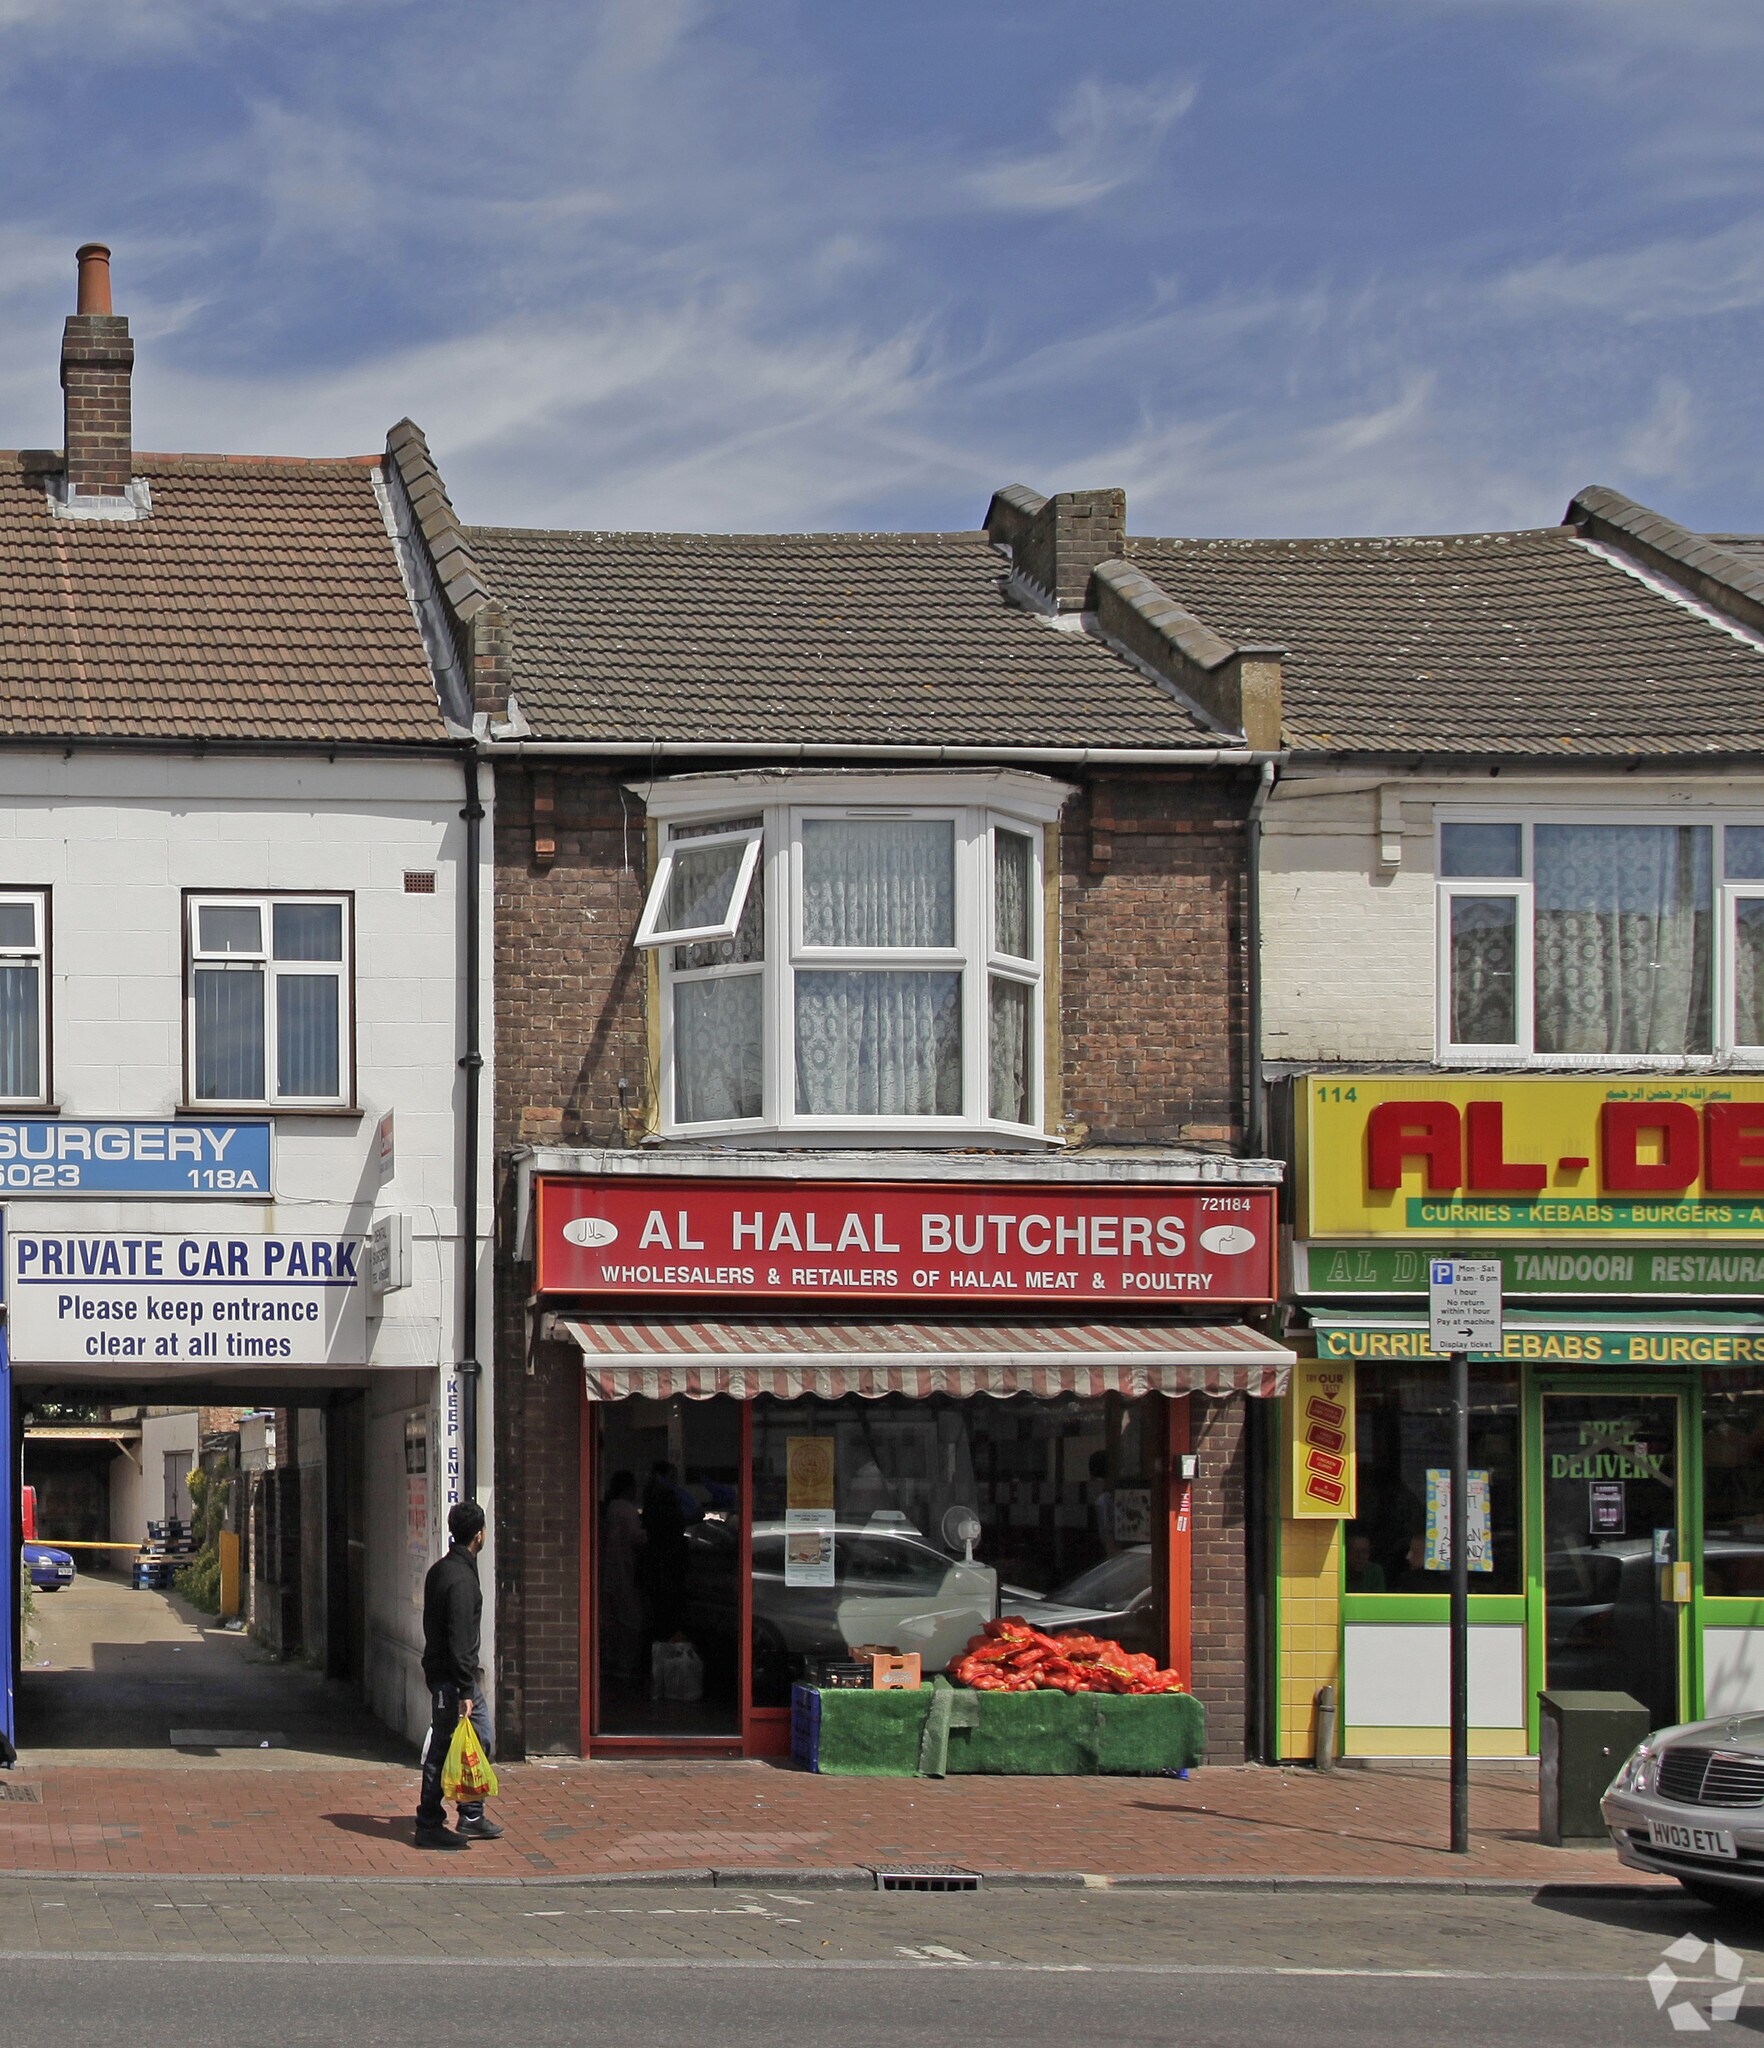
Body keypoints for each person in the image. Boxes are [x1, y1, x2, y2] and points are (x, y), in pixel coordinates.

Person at [414, 1498, 501, 1850]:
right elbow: (461, 1638)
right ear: (479, 1535)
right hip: (454, 1679)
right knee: (451, 1744)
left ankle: (470, 1812)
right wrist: (466, 1688)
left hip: (442, 1673)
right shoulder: (462, 1580)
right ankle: (432, 1821)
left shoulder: (441, 1570)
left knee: (472, 1740)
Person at [599, 1469, 646, 1680]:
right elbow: (637, 1538)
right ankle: (625, 1665)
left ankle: (610, 1660)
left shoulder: (608, 1508)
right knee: (629, 1618)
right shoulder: (627, 1510)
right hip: (625, 1569)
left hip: (607, 1570)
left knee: (609, 1618)